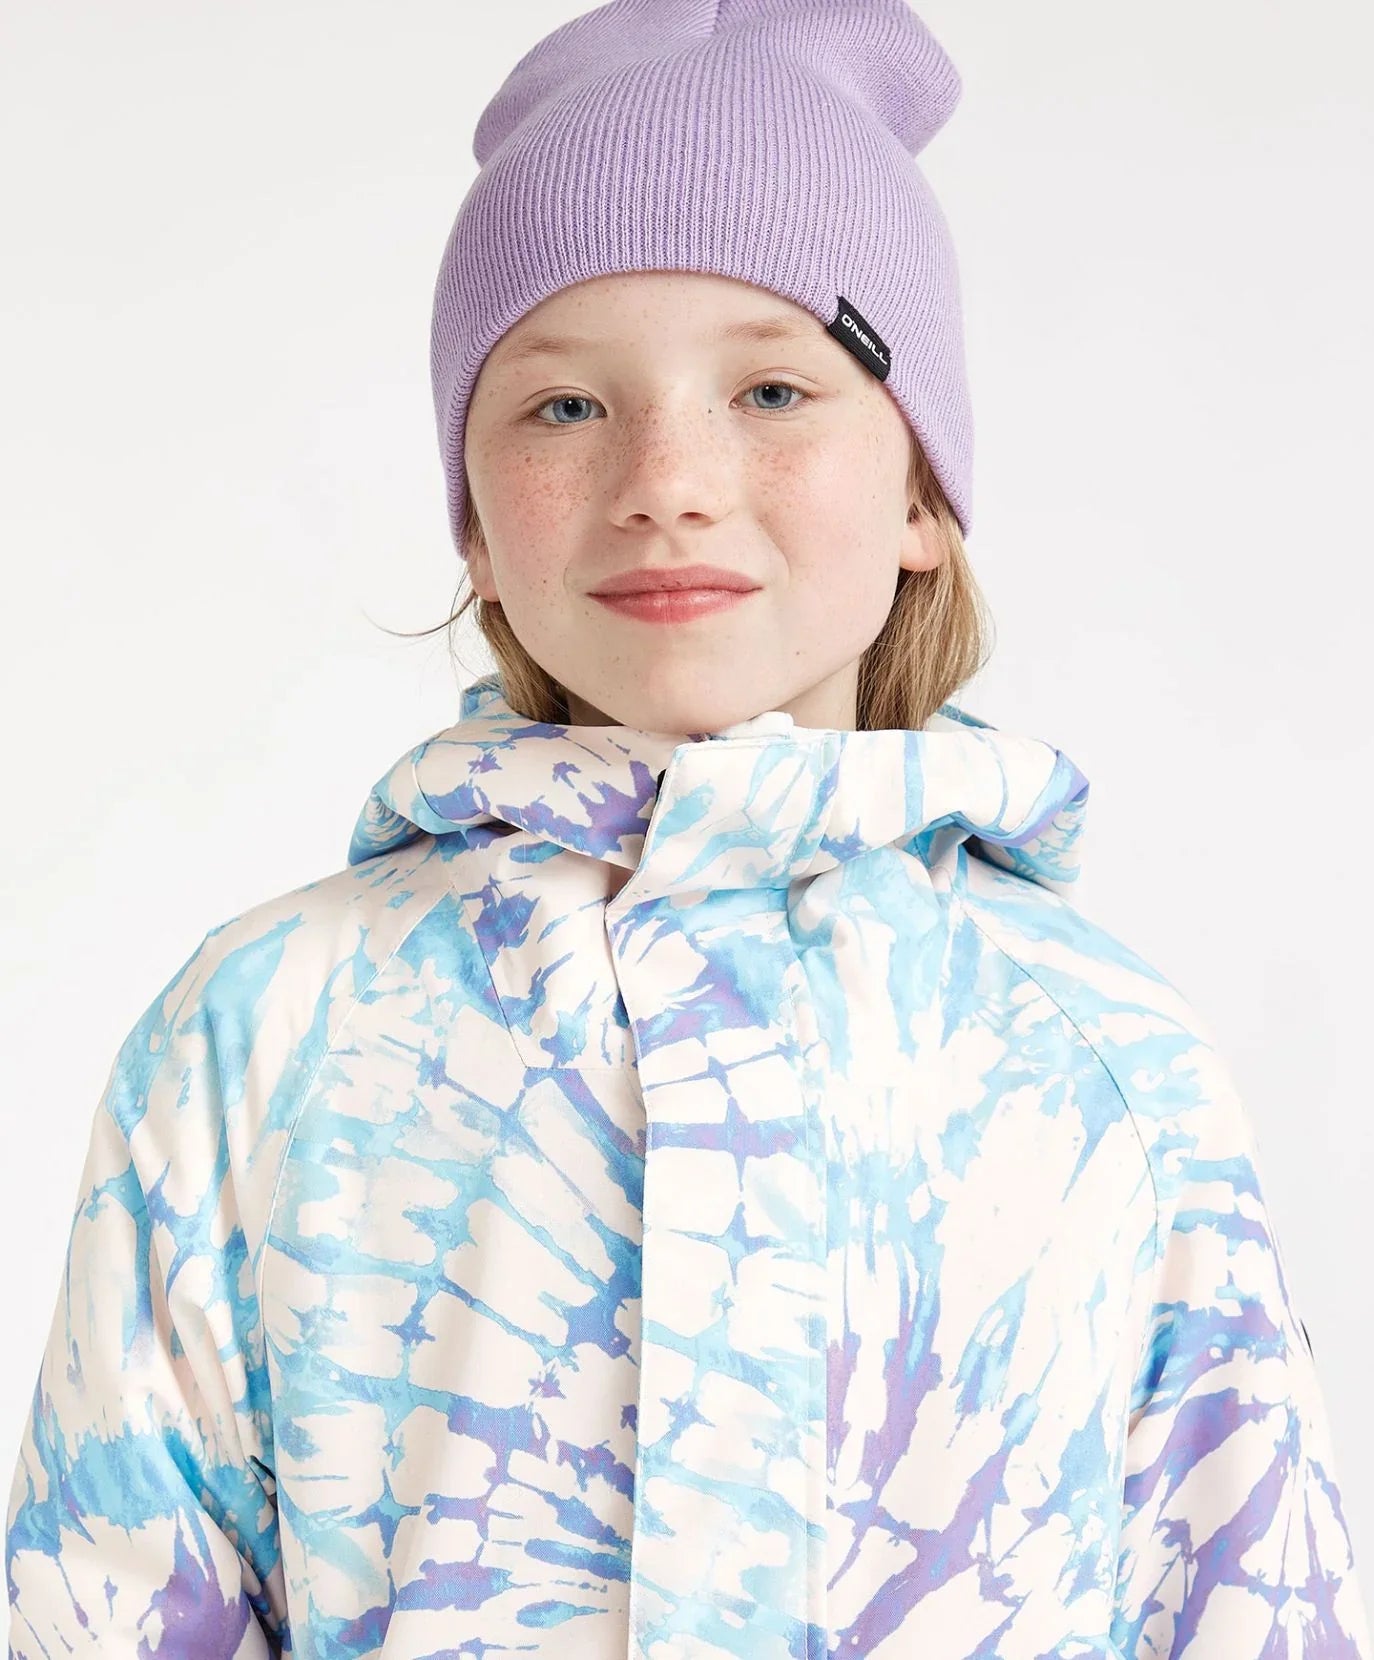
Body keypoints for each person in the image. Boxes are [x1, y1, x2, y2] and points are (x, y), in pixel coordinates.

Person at [6, 1, 1369, 1655]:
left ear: (922, 491)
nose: (667, 476)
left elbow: (1246, 1601)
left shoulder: (1099, 1065)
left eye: (773, 388)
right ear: (473, 526)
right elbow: (104, 1608)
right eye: (563, 408)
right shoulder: (267, 1039)